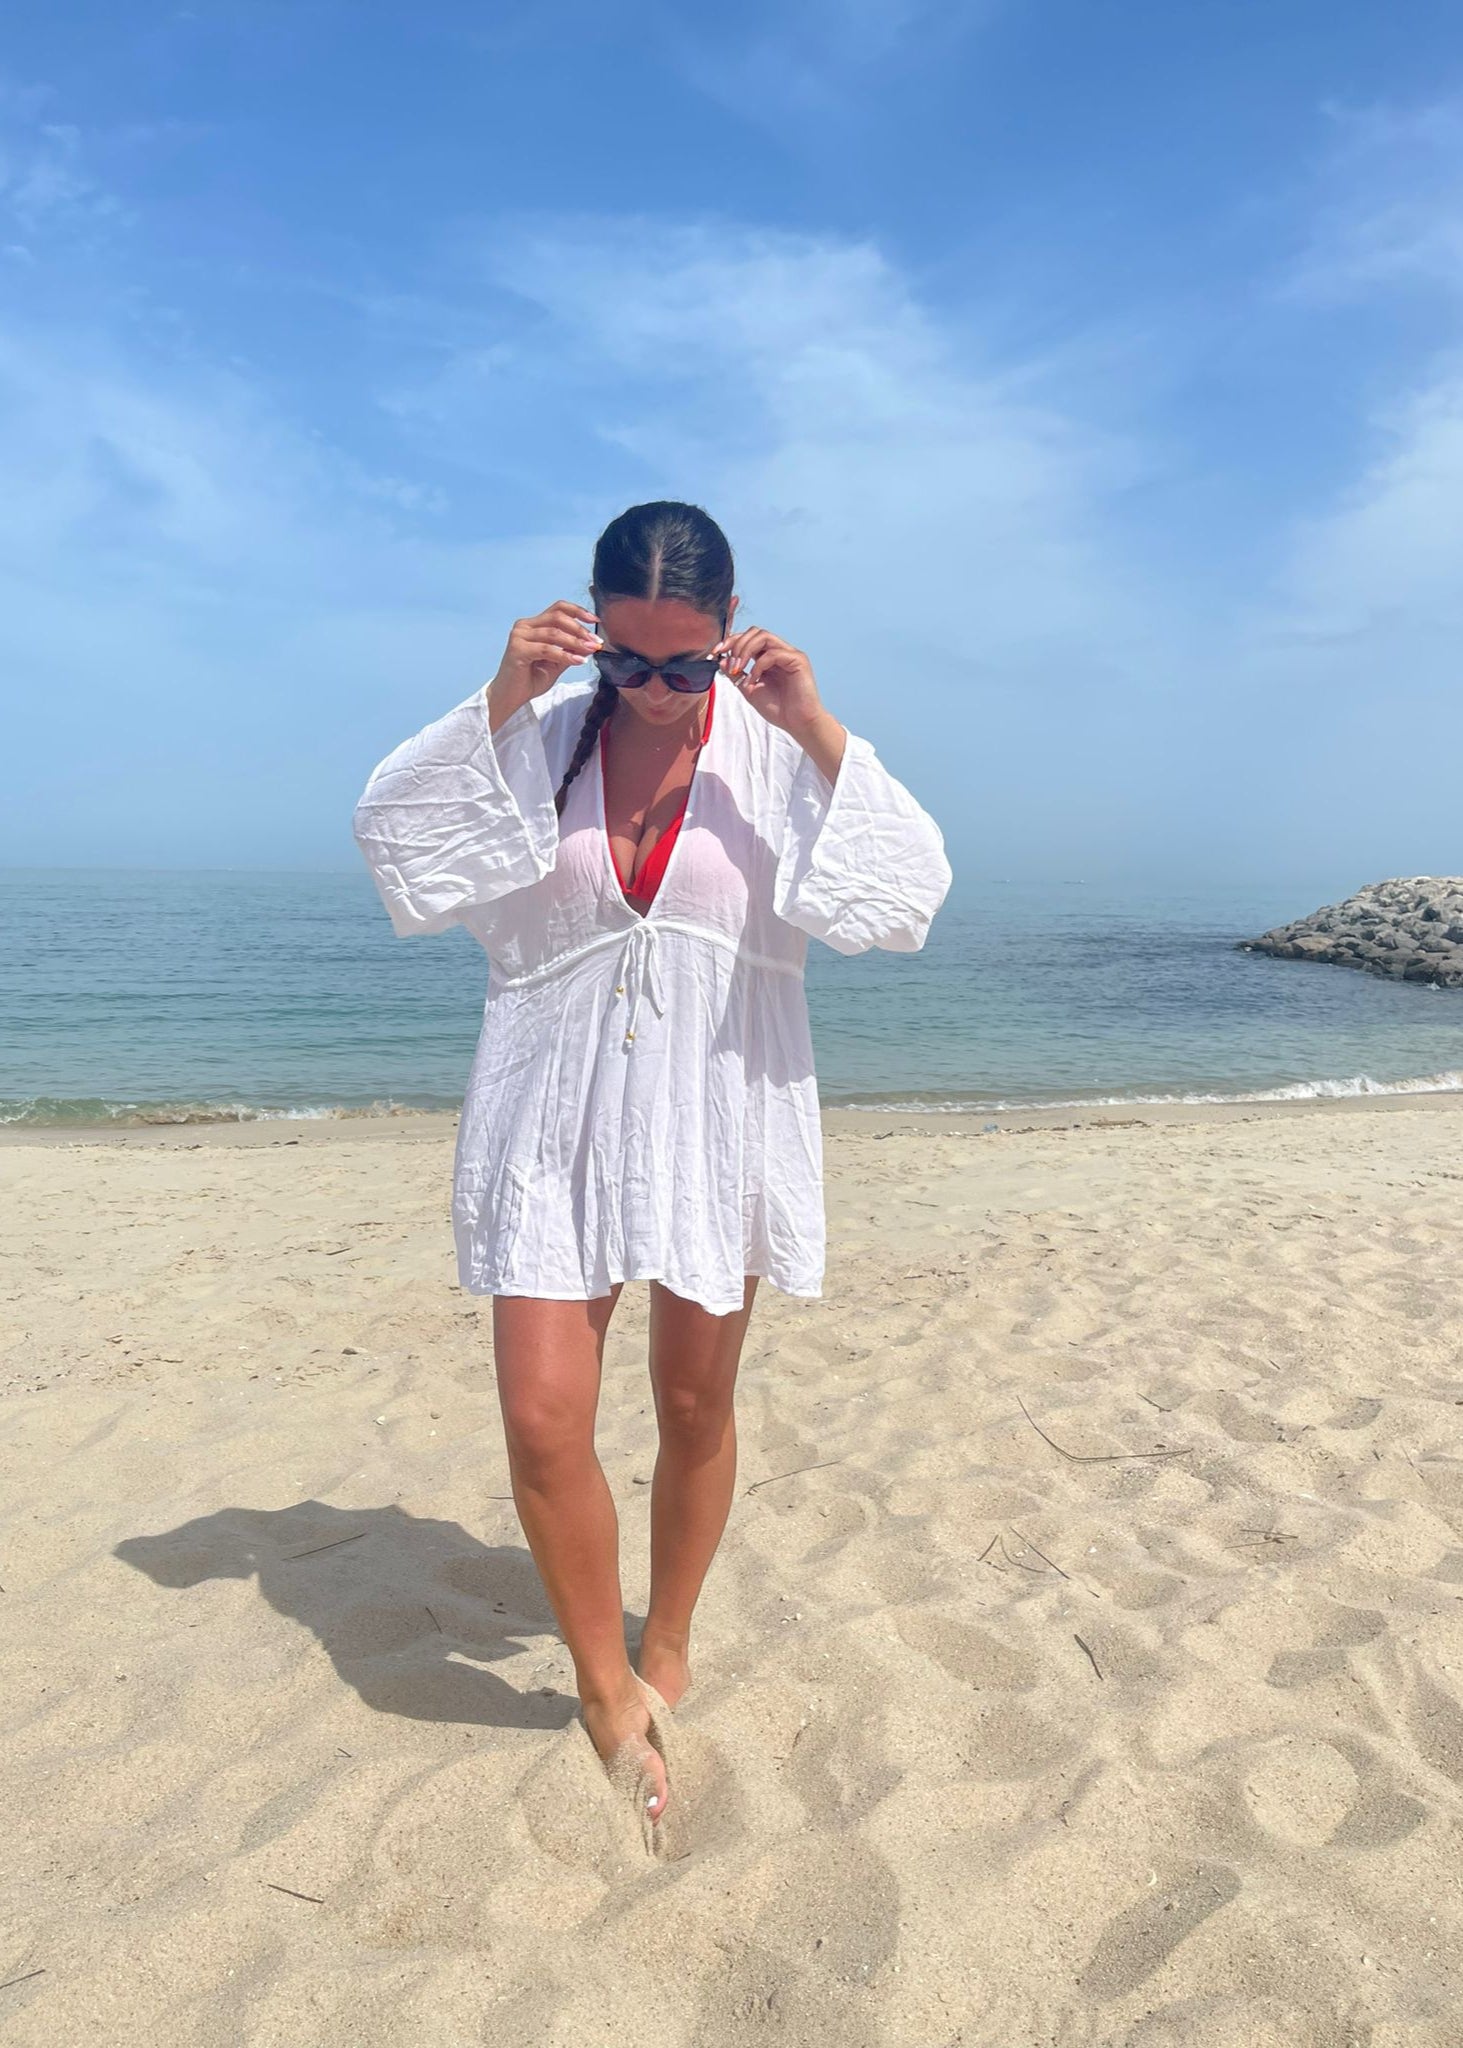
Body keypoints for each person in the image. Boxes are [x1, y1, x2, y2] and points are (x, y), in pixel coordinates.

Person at [352, 500, 952, 1824]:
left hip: (713, 1118)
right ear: (592, 632)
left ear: (733, 637)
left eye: (689, 662)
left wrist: (811, 722)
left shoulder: (771, 757)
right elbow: (396, 840)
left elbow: (906, 896)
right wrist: (508, 689)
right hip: (550, 1124)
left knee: (693, 1407)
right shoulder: (542, 745)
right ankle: (604, 1686)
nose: (663, 692)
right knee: (542, 1420)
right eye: (630, 661)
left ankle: (666, 1639)